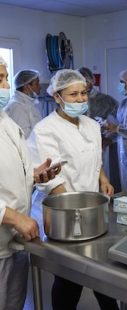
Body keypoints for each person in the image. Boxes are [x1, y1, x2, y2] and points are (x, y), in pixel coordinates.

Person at [27, 69, 118, 310]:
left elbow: (95, 158)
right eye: (73, 94)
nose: (80, 99)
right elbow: (50, 180)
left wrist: (104, 180)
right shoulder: (45, 130)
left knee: (102, 273)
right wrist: (77, 211)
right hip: (62, 216)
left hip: (91, 210)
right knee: (69, 279)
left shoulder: (90, 125)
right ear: (57, 96)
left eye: (84, 94)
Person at [0, 56, 60, 310]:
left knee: (13, 304)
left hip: (15, 239)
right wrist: (13, 217)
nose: (5, 86)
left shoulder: (5, 121)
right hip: (9, 230)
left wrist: (34, 175)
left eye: (4, 78)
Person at [78, 67, 121, 192]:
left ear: (92, 81)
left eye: (86, 82)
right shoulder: (74, 102)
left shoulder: (106, 100)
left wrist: (109, 139)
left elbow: (122, 123)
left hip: (103, 147)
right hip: (79, 147)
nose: (84, 86)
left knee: (104, 178)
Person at [5, 69, 42, 138]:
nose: (40, 87)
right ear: (26, 86)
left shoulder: (27, 103)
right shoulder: (18, 107)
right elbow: (24, 138)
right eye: (36, 84)